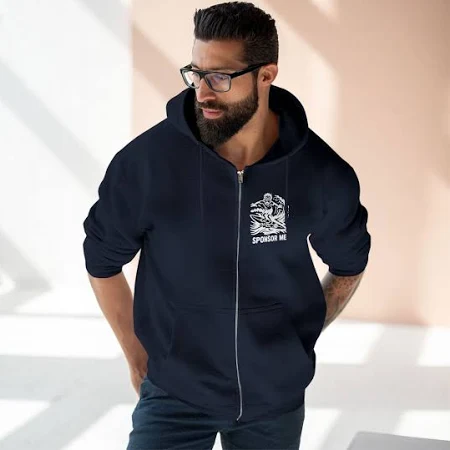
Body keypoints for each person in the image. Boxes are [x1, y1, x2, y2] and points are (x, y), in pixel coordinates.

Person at [82, 2, 372, 448]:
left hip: (274, 403)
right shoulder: (147, 163)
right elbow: (102, 260)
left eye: (219, 77)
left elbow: (349, 262)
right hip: (174, 396)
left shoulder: (320, 172)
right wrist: (136, 354)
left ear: (266, 75)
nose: (202, 92)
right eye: (196, 73)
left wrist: (296, 338)